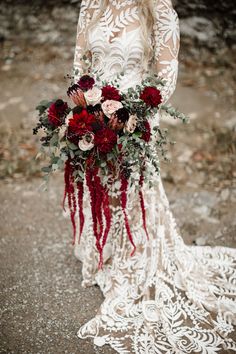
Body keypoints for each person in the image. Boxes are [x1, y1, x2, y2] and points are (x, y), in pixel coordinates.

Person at [72, 0, 236, 352]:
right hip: (96, 123)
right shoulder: (91, 5)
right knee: (102, 189)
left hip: (135, 120)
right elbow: (80, 70)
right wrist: (84, 114)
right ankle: (107, 253)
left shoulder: (156, 7)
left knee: (133, 194)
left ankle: (134, 257)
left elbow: (165, 79)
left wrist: (131, 117)